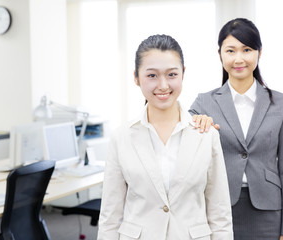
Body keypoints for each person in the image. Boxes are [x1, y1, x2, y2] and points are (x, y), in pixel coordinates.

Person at [97, 34, 233, 240]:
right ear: (136, 77)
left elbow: (219, 213)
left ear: (183, 74)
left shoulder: (206, 135)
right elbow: (110, 216)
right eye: (152, 75)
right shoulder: (121, 137)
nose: (163, 85)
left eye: (171, 75)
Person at [189, 18, 283, 240]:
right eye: (230, 50)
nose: (238, 58)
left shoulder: (281, 103)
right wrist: (196, 124)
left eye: (247, 49)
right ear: (220, 54)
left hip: (268, 213)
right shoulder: (203, 104)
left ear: (260, 52)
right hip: (216, 210)